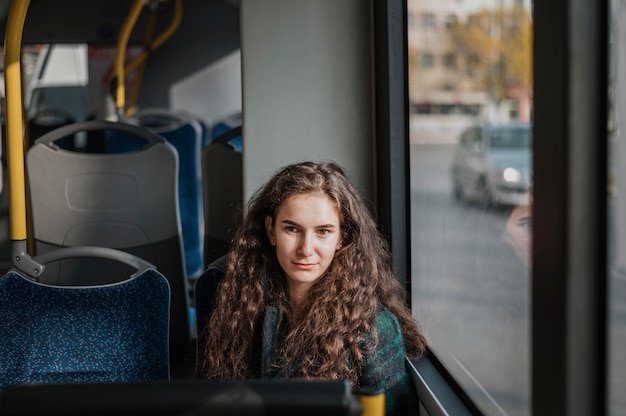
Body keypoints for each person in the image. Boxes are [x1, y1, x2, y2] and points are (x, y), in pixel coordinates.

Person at [200, 161, 427, 415]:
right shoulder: (240, 304)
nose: (306, 249)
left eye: (323, 231)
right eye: (292, 229)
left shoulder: (374, 328)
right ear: (271, 231)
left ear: (341, 238)